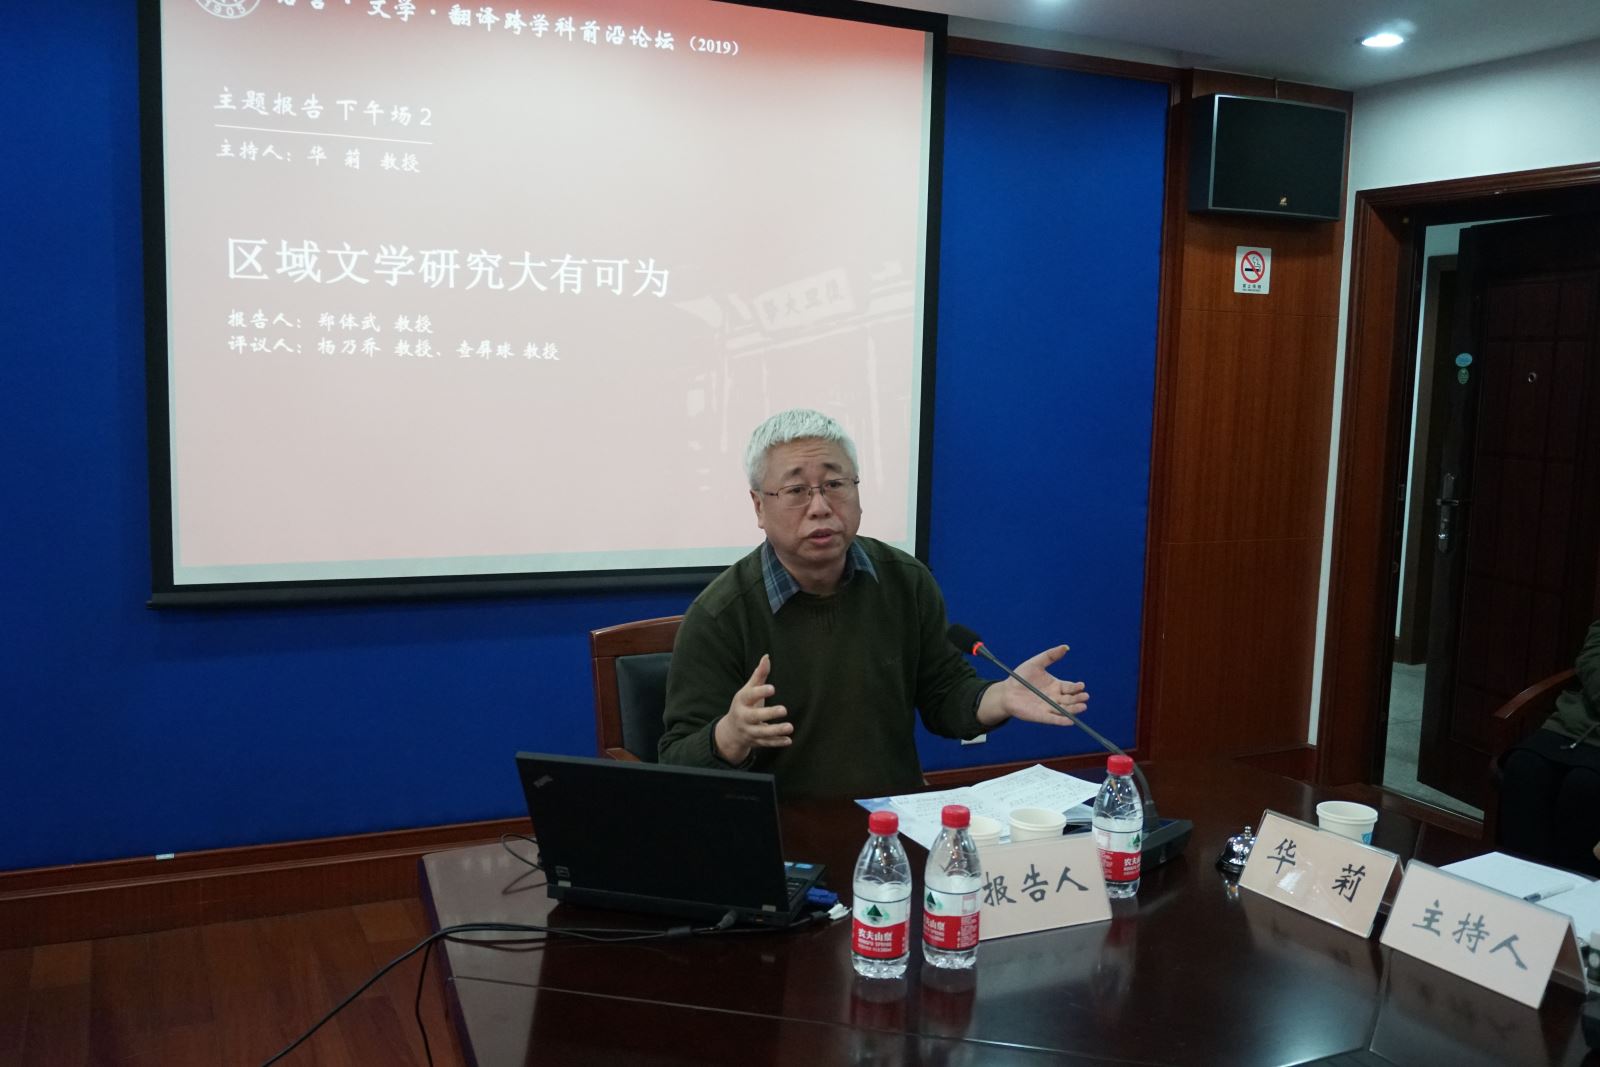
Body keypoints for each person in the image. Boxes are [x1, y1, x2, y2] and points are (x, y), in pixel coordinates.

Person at [658, 408, 1090, 797]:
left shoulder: (904, 581)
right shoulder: (720, 615)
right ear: (758, 506)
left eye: (835, 484)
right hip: (777, 834)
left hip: (890, 822)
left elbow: (944, 696)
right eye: (796, 490)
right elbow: (675, 761)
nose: (820, 507)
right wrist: (730, 735)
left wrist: (1002, 696)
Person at [1498, 619, 1600, 876]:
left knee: (1584, 786)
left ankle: (1575, 886)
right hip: (1572, 725)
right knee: (1524, 766)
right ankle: (1517, 879)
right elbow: (1592, 655)